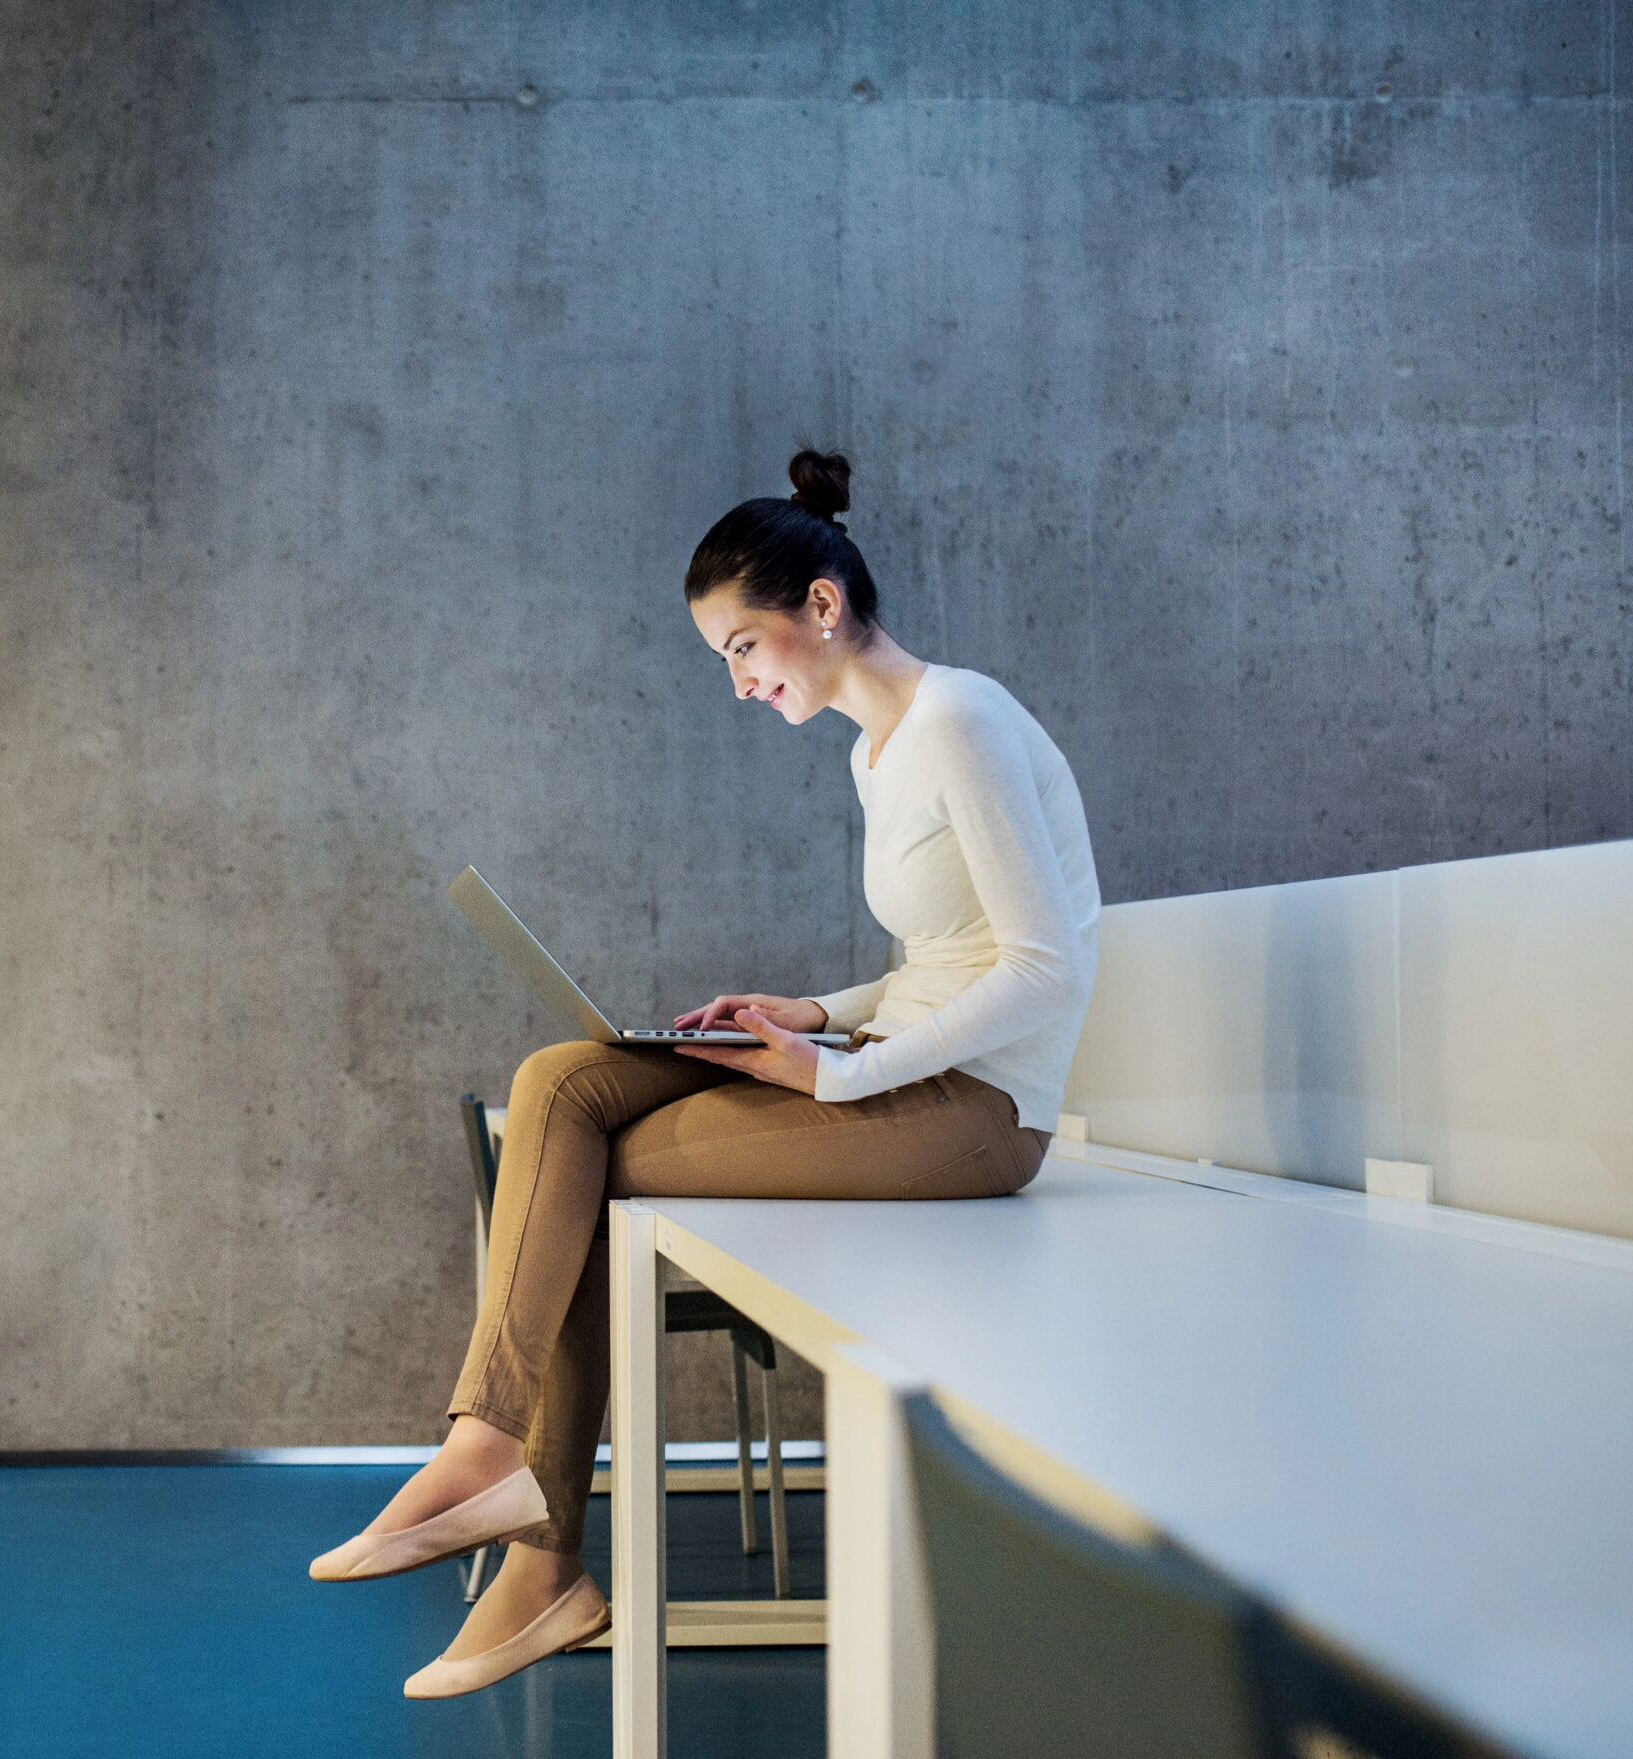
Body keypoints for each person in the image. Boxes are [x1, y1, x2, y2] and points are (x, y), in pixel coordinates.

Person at [310, 448, 1102, 1699]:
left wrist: (843, 1071)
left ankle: (538, 1549)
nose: (737, 683)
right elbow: (942, 958)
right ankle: (489, 1454)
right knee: (564, 1085)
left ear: (822, 608)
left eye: (742, 647)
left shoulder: (962, 721)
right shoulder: (877, 752)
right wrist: (814, 1012)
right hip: (897, 1070)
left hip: (981, 1116)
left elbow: (1046, 971)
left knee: (592, 1172)